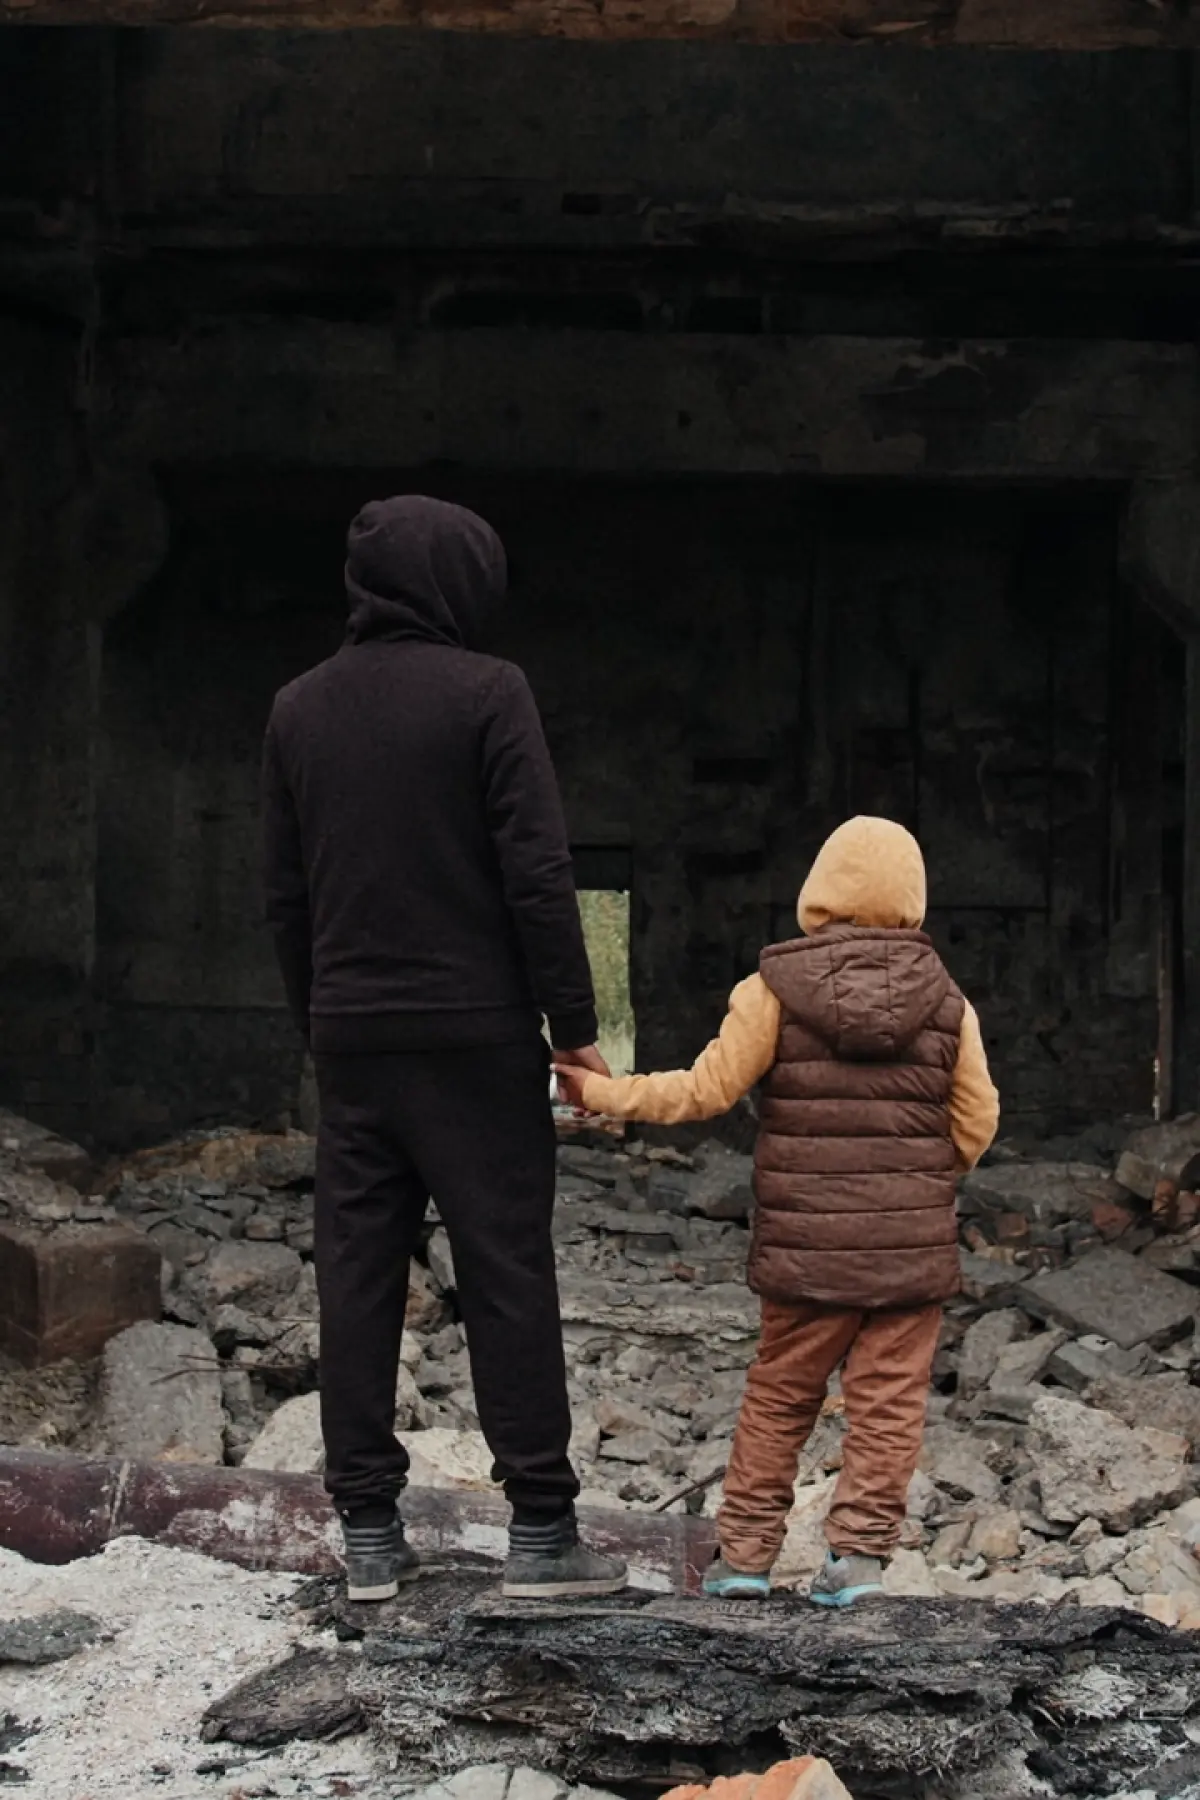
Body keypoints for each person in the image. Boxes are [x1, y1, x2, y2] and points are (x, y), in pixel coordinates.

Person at [262, 494, 627, 1603]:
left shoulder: (297, 709)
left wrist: (319, 1021)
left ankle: (368, 1534)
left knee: (358, 1277)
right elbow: (538, 878)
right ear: (455, 583)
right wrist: (577, 1033)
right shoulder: (488, 693)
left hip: (355, 1044)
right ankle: (541, 1534)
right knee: (508, 1269)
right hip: (476, 1043)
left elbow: (284, 894)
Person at [556, 815, 999, 1607]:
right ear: (913, 898)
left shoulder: (772, 992)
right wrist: (919, 1181)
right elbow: (977, 1121)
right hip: (909, 1251)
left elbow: (704, 1091)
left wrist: (600, 1091)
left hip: (804, 1252)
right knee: (890, 1408)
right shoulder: (949, 1001)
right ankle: (859, 1564)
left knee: (779, 1398)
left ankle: (745, 1561)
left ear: (819, 892)